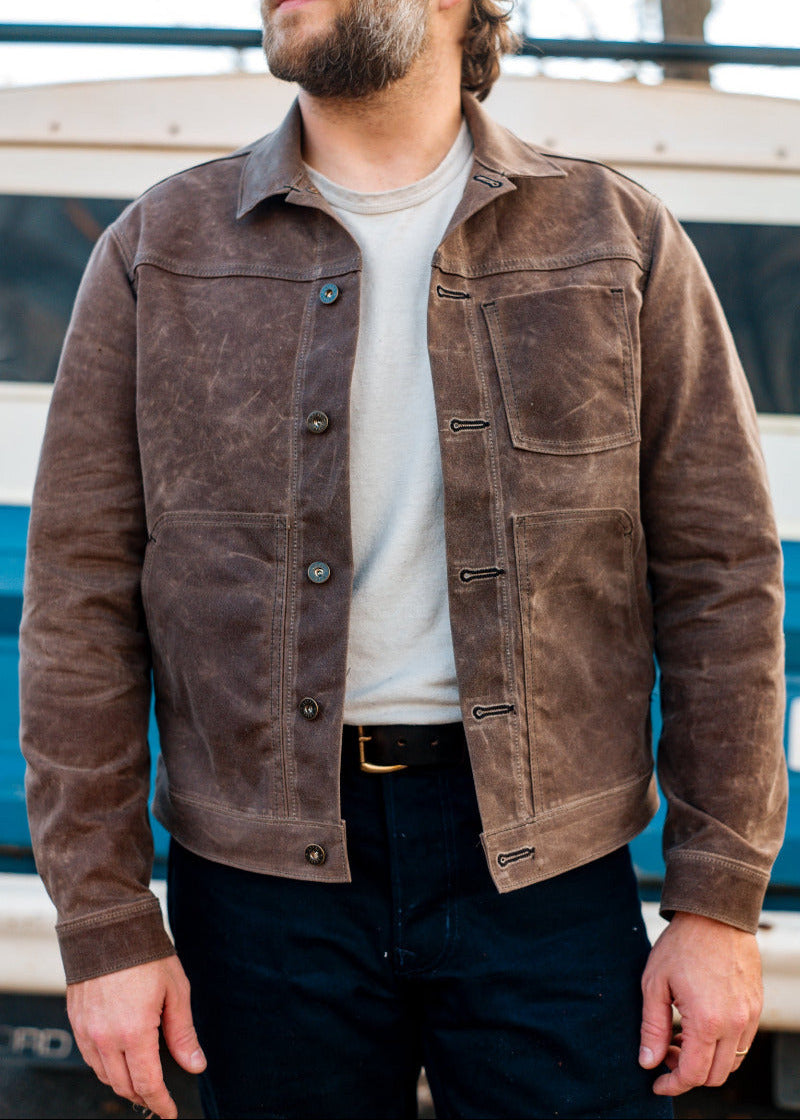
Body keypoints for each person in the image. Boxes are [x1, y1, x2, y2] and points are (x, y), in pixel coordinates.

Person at [19, 1, 788, 1117]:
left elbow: (721, 576)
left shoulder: (615, 238)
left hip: (548, 872)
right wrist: (104, 921)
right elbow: (77, 603)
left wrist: (714, 906)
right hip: (259, 886)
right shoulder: (161, 249)